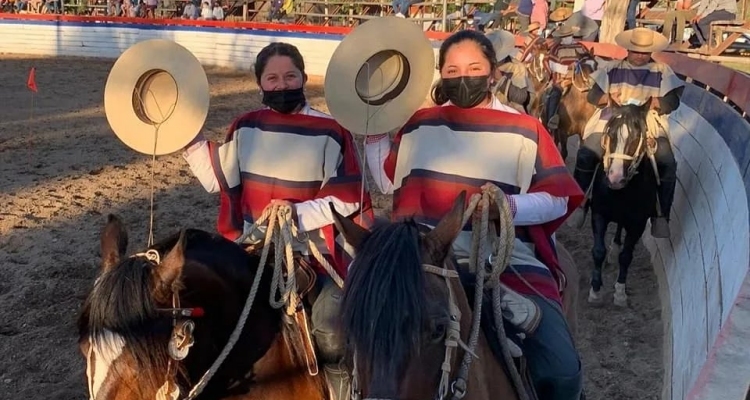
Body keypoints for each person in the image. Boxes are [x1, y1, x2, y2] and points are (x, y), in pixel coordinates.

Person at [365, 30, 585, 400]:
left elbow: (558, 199)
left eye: (473, 67)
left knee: (561, 365)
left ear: (493, 74)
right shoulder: (419, 123)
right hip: (419, 254)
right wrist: (374, 134)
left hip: (498, 254)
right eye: (451, 69)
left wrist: (506, 206)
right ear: (440, 75)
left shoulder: (525, 128)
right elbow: (388, 183)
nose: (461, 76)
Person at [182, 42, 372, 400]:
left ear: (303, 77)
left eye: (290, 76)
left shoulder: (333, 130)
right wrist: (185, 136)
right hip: (251, 249)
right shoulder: (244, 127)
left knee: (331, 326)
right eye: (273, 78)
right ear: (261, 84)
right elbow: (216, 178)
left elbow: (349, 198)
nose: (282, 85)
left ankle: (340, 387)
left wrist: (295, 213)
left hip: (313, 255)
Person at [570, 28, 683, 238]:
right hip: (611, 118)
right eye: (635, 51)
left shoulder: (662, 70)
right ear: (628, 49)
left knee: (667, 163)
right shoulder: (611, 68)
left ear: (651, 52)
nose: (639, 56)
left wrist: (659, 102)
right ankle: (580, 203)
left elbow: (673, 100)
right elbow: (593, 96)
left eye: (644, 52)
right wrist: (608, 97)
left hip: (647, 121)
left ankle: (661, 216)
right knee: (587, 154)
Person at [540, 22, 591, 135]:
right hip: (562, 80)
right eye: (564, 36)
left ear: (572, 35)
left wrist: (582, 65)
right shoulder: (556, 48)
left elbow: (588, 60)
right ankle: (552, 119)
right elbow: (552, 65)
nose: (566, 38)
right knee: (554, 95)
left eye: (568, 36)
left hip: (580, 79)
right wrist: (567, 67)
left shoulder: (581, 47)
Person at [486, 29, 534, 113]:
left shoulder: (516, 67)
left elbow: (520, 98)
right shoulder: (481, 66)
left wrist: (501, 80)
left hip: (508, 111)